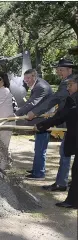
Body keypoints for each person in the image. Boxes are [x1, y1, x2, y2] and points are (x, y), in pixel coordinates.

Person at [27, 59, 75, 191]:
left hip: (71, 123)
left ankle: (61, 183)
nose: (59, 72)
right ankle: (64, 181)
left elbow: (55, 98)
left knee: (65, 152)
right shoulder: (68, 81)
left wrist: (34, 112)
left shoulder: (69, 82)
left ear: (70, 70)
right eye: (58, 69)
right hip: (68, 121)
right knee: (66, 151)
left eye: (62, 70)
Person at [35, 74, 78, 209]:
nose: (68, 88)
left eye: (70, 85)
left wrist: (42, 125)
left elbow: (61, 116)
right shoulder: (72, 99)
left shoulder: (74, 102)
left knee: (76, 170)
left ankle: (73, 201)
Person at [14, 69, 53, 180]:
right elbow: (31, 102)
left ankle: (39, 173)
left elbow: (32, 103)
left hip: (44, 119)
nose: (26, 81)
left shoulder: (41, 87)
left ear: (34, 76)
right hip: (40, 118)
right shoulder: (38, 84)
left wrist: (16, 113)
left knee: (41, 147)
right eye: (25, 79)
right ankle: (37, 169)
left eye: (29, 78)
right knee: (38, 147)